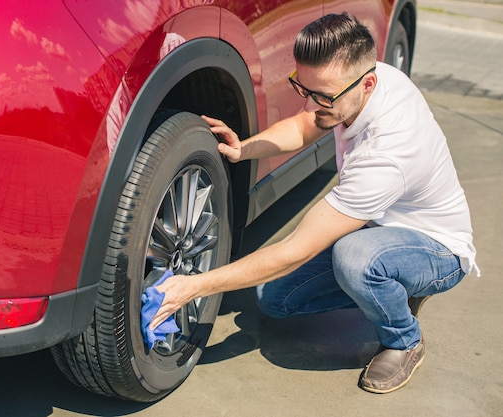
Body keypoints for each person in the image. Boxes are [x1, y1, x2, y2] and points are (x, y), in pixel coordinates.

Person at [149, 12, 479, 393]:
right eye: (303, 88)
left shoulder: (387, 155)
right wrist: (244, 148)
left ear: (367, 84)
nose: (311, 102)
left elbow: (295, 250)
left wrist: (192, 286)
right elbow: (305, 125)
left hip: (437, 248)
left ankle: (404, 339)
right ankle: (390, 286)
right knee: (273, 299)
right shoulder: (354, 84)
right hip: (378, 228)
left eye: (322, 95)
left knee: (356, 259)